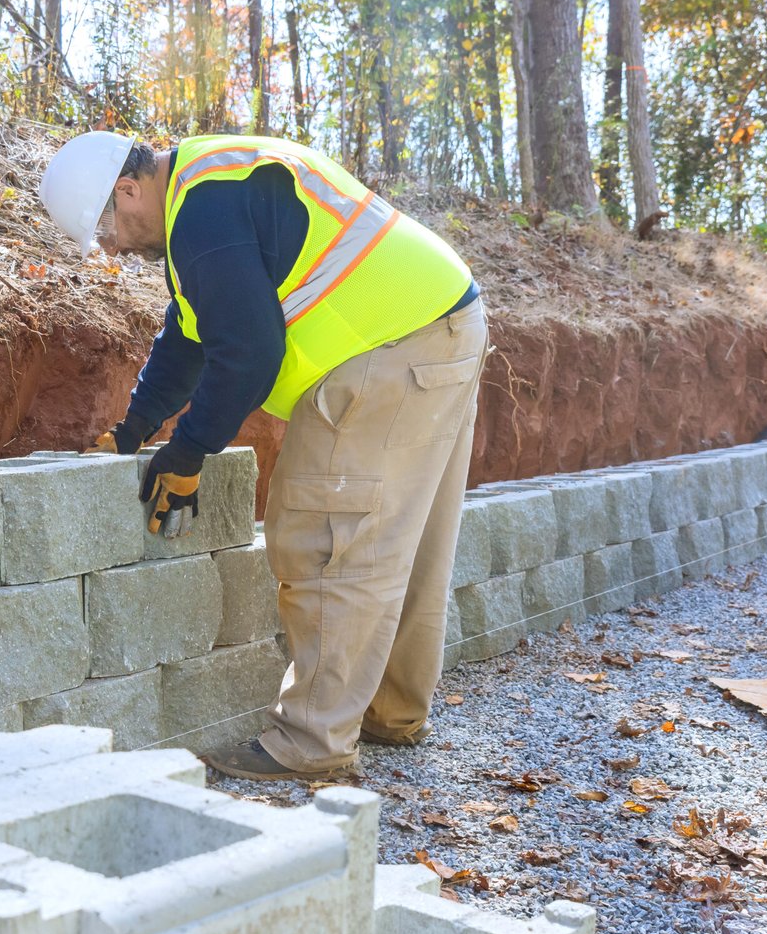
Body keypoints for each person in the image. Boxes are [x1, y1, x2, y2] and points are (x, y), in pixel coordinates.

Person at [38, 131, 488, 781]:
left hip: (393, 346)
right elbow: (193, 331)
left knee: (323, 537)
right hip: (440, 319)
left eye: (108, 226)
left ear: (129, 190)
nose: (114, 245)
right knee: (400, 541)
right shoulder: (206, 187)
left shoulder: (202, 214)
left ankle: (309, 743)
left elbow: (248, 349)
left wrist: (190, 450)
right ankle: (389, 711)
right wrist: (135, 428)